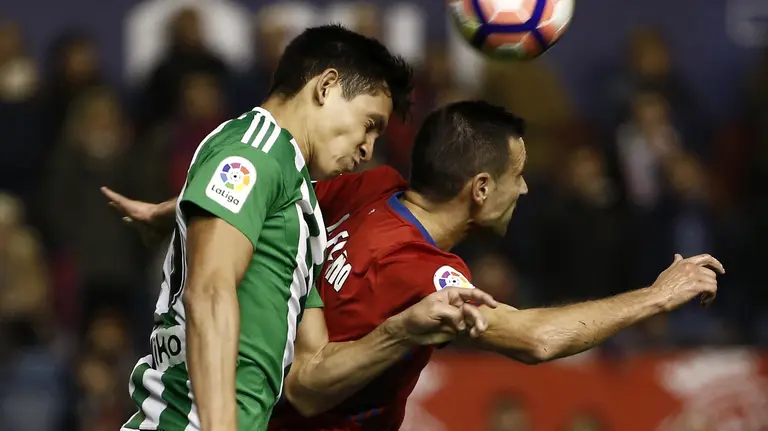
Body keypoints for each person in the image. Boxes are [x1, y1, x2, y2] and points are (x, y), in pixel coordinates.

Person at [104, 101, 724, 430]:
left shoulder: (372, 186)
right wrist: (655, 296)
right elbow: (537, 339)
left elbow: (269, 194)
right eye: (517, 175)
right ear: (480, 188)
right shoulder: (426, 275)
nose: (526, 188)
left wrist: (172, 210)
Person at [110, 26, 497, 431]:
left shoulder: (300, 205)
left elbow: (309, 376)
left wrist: (403, 328)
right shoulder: (255, 150)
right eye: (369, 124)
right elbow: (209, 293)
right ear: (326, 86)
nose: (368, 148)